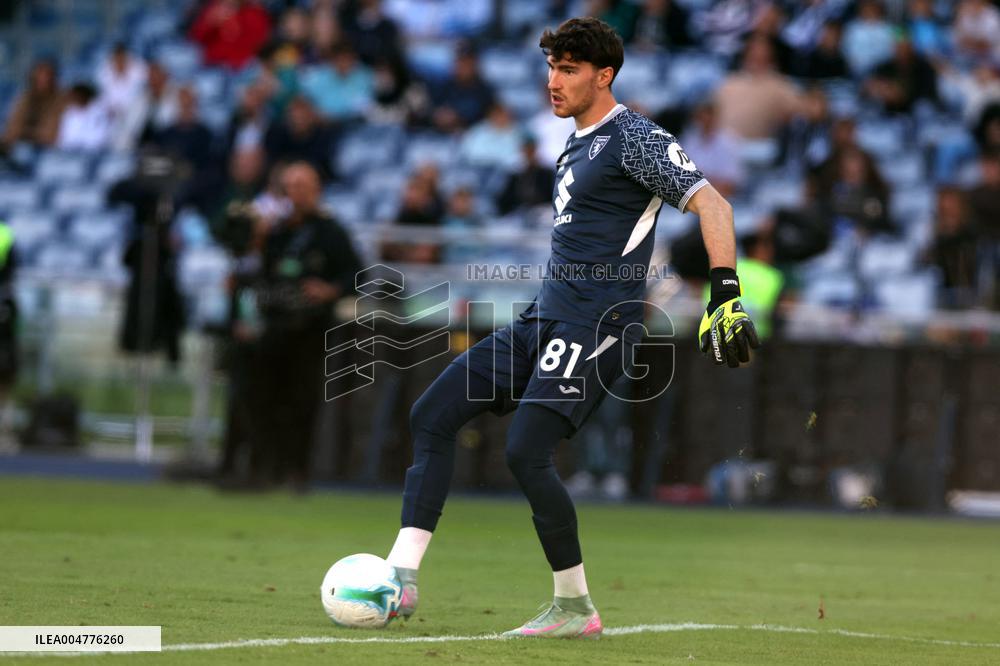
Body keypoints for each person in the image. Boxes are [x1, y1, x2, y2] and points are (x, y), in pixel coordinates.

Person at [382, 17, 759, 638]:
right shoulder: (575, 141)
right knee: (433, 413)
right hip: (544, 317)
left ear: (603, 75)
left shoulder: (634, 137)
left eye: (569, 69)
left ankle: (575, 607)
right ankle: (402, 574)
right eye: (552, 68)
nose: (553, 81)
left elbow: (713, 204)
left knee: (526, 450)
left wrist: (725, 292)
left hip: (596, 325)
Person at [251, 162, 361, 489]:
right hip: (273, 324)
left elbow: (357, 274)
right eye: (291, 186)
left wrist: (330, 290)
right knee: (267, 398)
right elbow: (261, 271)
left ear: (316, 190)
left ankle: (297, 471)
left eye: (303, 186)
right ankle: (265, 468)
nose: (296, 193)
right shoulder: (276, 230)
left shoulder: (331, 231)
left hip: (312, 329)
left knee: (303, 401)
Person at [1, 59, 64, 151]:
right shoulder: (25, 98)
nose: (43, 79)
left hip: (45, 150)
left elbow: (50, 135)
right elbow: (12, 128)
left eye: (47, 75)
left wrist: (24, 133)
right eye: (40, 75)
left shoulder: (60, 100)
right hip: (18, 146)